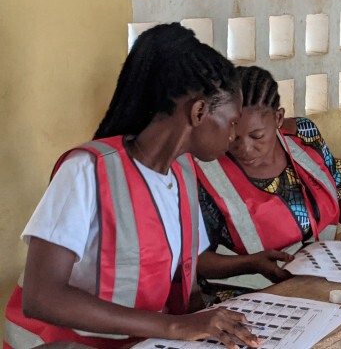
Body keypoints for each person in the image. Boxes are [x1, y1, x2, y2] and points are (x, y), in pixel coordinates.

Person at [3, 23, 262, 349]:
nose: (234, 136)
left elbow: (184, 271)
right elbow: (42, 297)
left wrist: (209, 324)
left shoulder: (182, 173)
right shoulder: (87, 171)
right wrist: (175, 327)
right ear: (198, 112)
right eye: (233, 122)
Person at [196, 66, 341, 292]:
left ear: (278, 118)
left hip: (320, 280)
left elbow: (336, 188)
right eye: (233, 136)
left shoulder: (304, 135)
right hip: (244, 297)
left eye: (257, 136)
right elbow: (192, 260)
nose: (244, 148)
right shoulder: (204, 170)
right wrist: (249, 264)